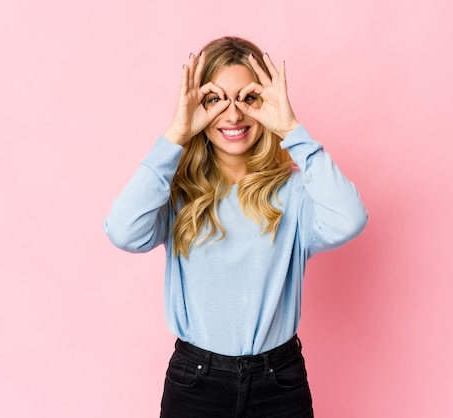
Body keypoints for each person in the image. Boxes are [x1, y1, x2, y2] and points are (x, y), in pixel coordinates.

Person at [104, 36, 368, 418]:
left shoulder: (295, 192)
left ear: (266, 104)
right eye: (215, 100)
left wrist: (291, 129)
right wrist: (176, 135)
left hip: (279, 380)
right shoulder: (176, 192)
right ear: (197, 107)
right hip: (196, 382)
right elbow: (123, 231)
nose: (232, 115)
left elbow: (350, 219)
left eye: (248, 98)